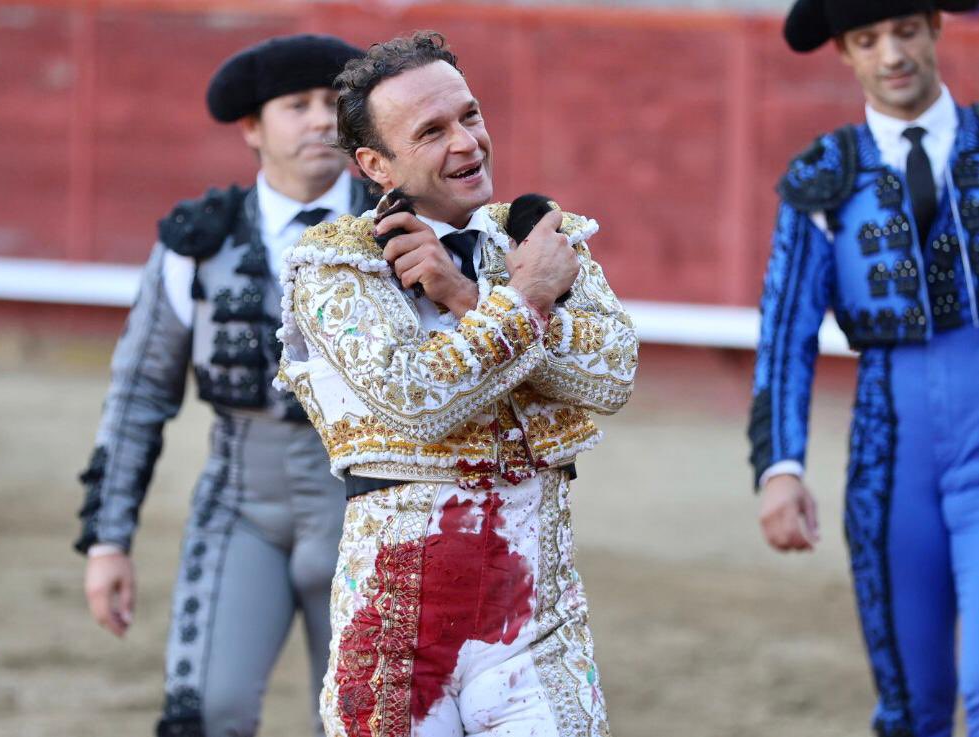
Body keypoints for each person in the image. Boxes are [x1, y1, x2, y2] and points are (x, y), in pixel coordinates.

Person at [275, 31, 638, 737]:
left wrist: (468, 296)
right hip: (394, 635)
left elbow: (613, 373)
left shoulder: (536, 239)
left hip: (540, 620)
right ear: (375, 164)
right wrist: (525, 301)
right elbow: (415, 401)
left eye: (469, 116)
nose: (467, 142)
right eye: (433, 131)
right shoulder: (333, 266)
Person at [72, 34, 376, 737]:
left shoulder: (400, 229)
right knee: (205, 714)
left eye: (334, 104)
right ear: (250, 127)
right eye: (296, 105)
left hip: (371, 507)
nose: (320, 121)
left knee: (369, 723)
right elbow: (141, 392)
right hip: (241, 504)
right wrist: (107, 540)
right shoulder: (197, 243)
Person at [750, 2, 979, 734]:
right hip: (890, 459)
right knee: (911, 705)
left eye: (905, 30)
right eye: (867, 40)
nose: (891, 55)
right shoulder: (823, 176)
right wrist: (779, 465)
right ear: (843, 54)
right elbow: (786, 332)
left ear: (935, 30)